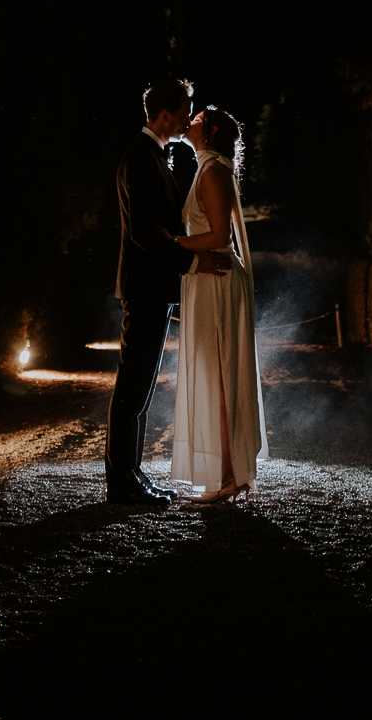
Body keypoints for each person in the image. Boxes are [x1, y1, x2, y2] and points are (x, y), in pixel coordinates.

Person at [105, 76, 228, 507]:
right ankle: (122, 483)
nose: (184, 120)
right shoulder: (140, 158)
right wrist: (194, 262)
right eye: (181, 112)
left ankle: (131, 476)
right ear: (162, 115)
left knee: (139, 386)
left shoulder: (153, 155)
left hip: (152, 287)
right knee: (133, 387)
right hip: (145, 288)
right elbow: (145, 234)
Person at [166, 105, 267, 502]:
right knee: (216, 372)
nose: (188, 119)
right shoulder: (210, 167)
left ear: (206, 132)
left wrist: (170, 245)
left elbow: (219, 235)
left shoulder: (211, 171)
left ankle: (228, 477)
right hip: (211, 278)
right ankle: (229, 474)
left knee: (220, 374)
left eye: (196, 118)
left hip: (217, 279)